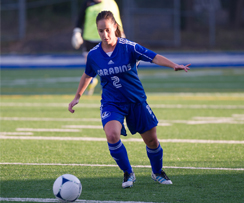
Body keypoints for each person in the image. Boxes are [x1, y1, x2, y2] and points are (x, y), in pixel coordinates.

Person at [69, 11, 191, 189]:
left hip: (136, 101)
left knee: (152, 141)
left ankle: (157, 172)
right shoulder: (94, 55)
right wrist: (77, 97)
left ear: (115, 27)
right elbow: (87, 74)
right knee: (112, 134)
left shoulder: (129, 47)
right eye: (100, 31)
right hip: (112, 103)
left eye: (108, 30)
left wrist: (174, 65)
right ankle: (128, 173)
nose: (104, 35)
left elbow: (154, 56)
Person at [71, 0, 125, 95]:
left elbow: (116, 20)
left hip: (107, 38)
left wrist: (121, 35)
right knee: (90, 64)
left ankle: (110, 86)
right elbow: (80, 18)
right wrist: (77, 32)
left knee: (109, 63)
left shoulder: (110, 3)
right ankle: (91, 81)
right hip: (89, 38)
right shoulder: (87, 3)